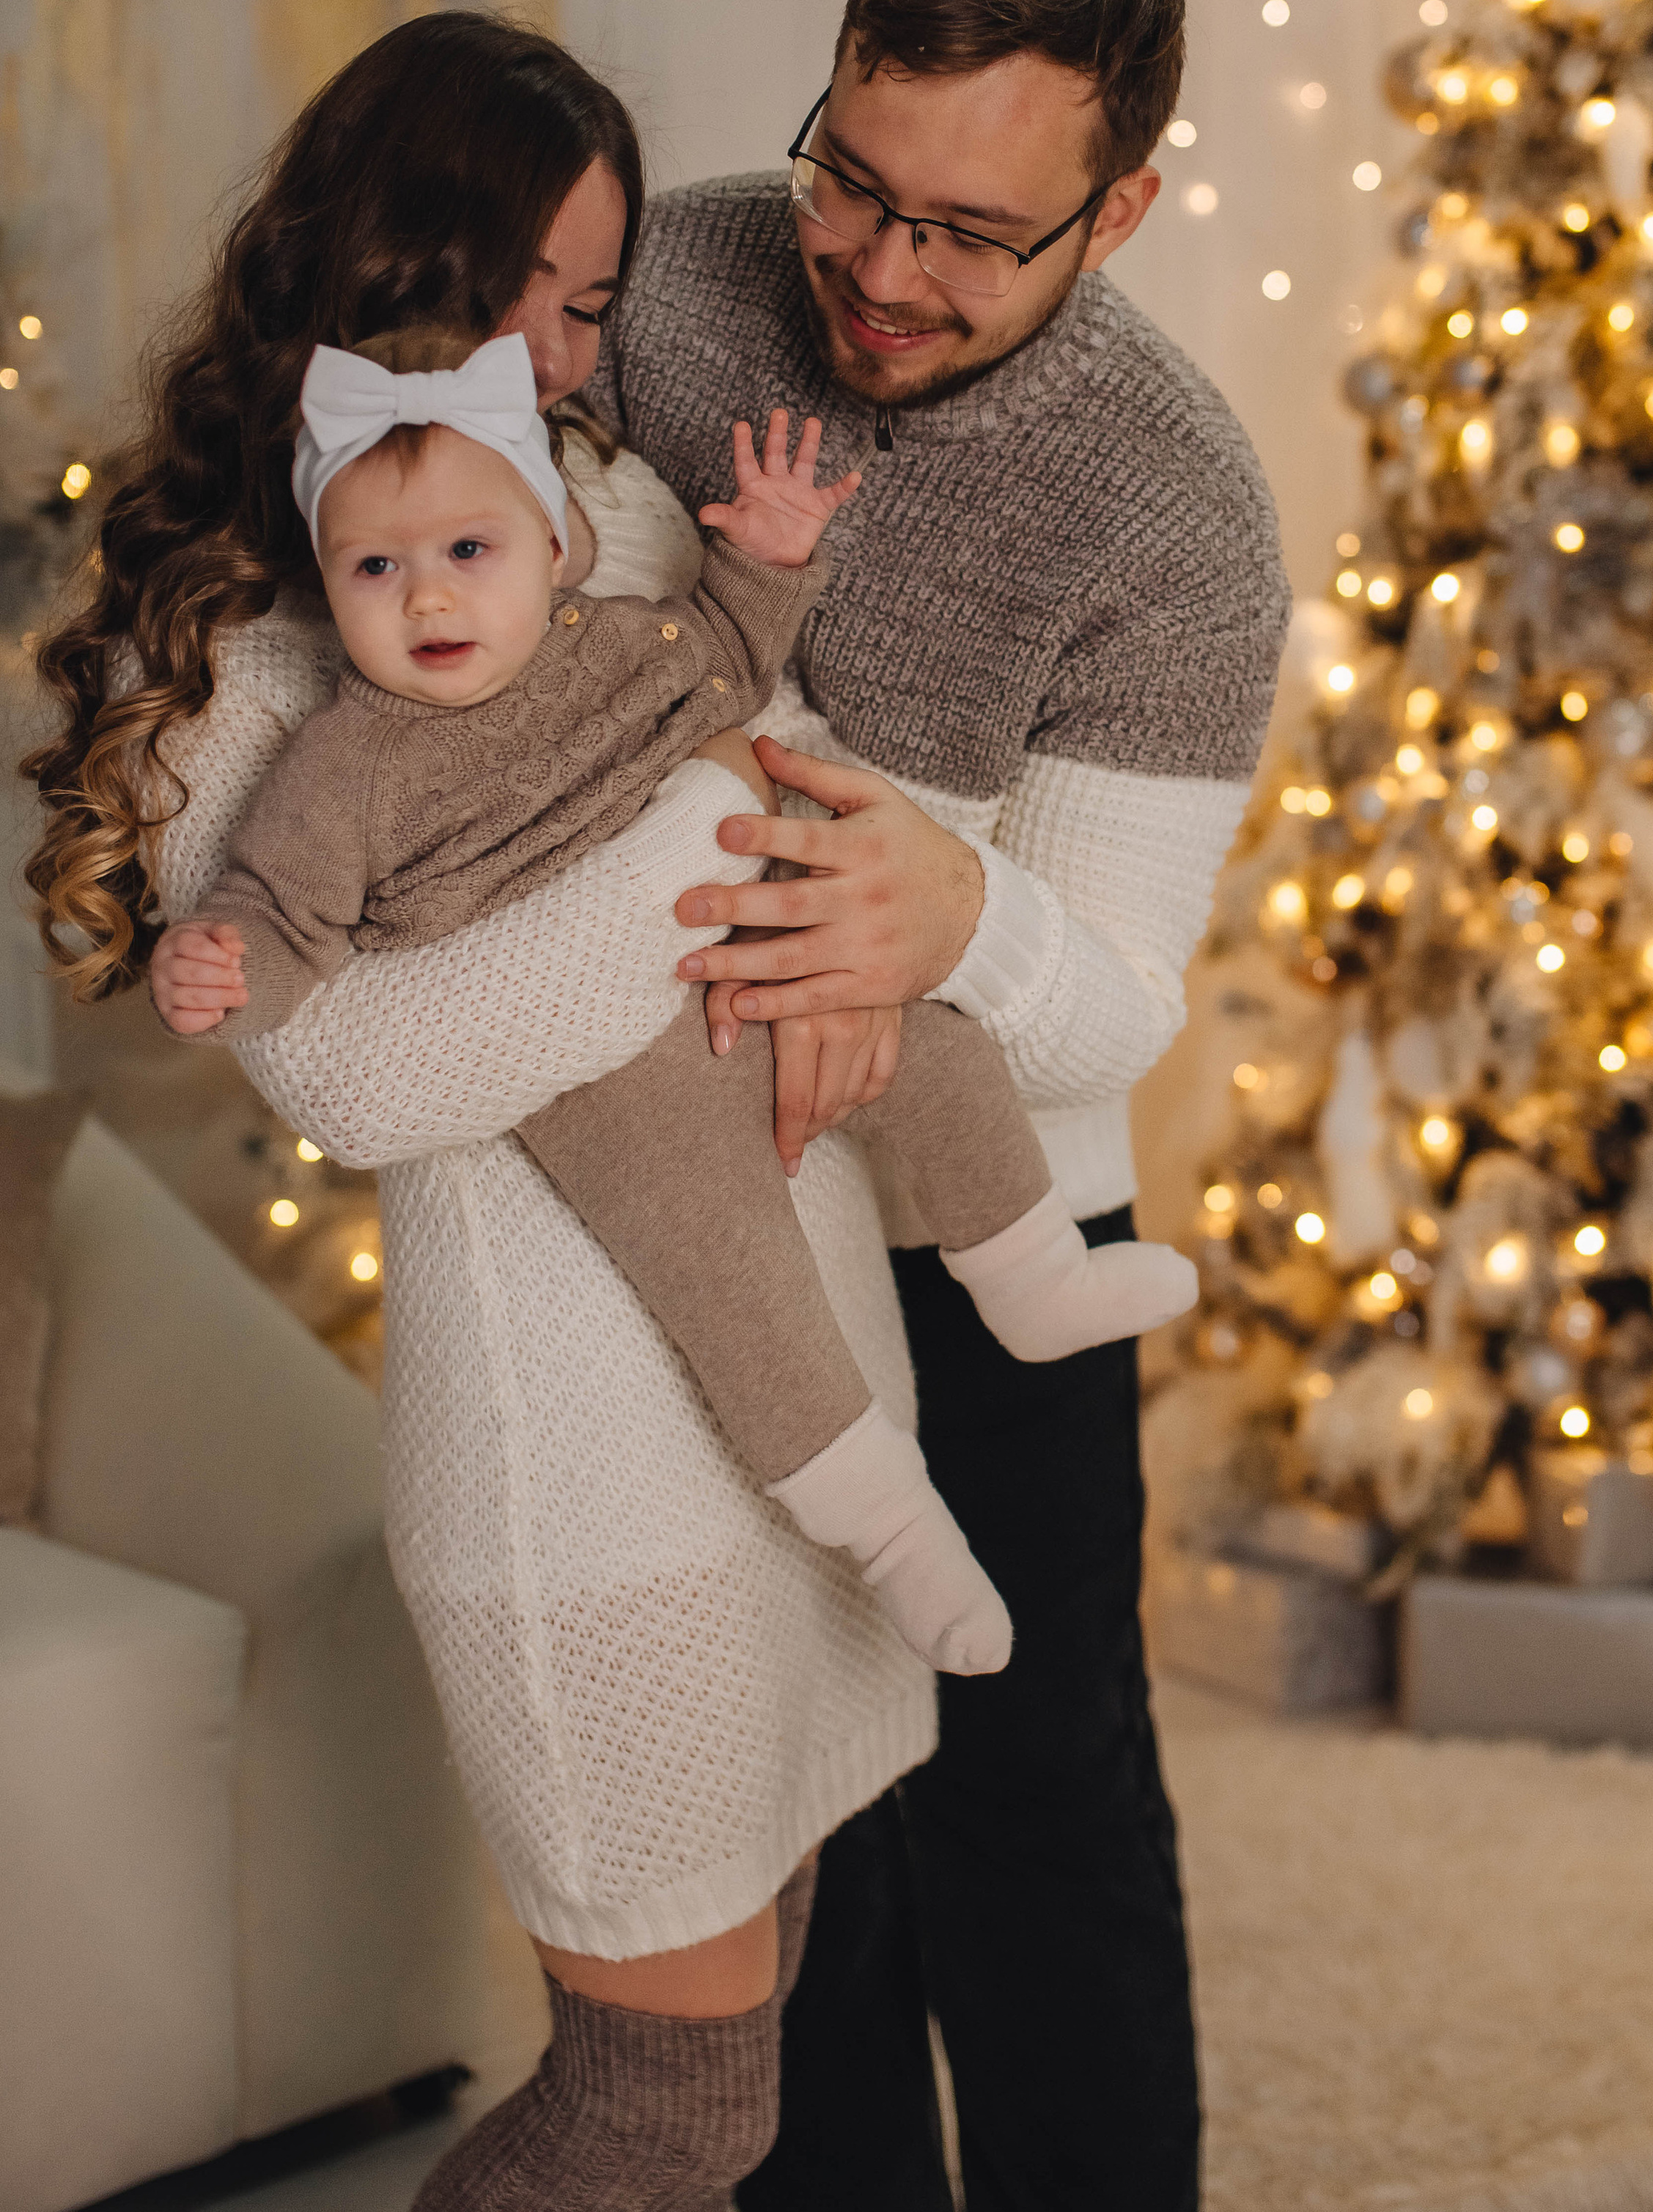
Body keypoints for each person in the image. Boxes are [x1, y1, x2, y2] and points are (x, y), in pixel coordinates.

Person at [23, 14, 961, 2208]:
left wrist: (813, 879)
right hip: (582, 1468)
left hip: (792, 1390)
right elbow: (363, 1066)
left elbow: (795, 747)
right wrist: (705, 830)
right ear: (382, 269)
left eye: (597, 299)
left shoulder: (608, 503)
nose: (563, 352)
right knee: (665, 2102)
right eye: (524, 292)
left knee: (771, 2002)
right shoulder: (266, 637)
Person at [595, 0, 1290, 2211]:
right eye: (855, 185)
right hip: (684, 1201)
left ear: (1124, 212)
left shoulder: (1184, 513)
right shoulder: (673, 278)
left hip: (988, 1222)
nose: (883, 277)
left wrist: (954, 909)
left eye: (975, 236)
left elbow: (1122, 991)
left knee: (1034, 1785)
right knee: (781, 1802)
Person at [148, 325, 1194, 1678]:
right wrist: (222, 967)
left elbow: (730, 649)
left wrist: (771, 548)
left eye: (471, 552)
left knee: (940, 1051)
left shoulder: (612, 647)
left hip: (739, 971)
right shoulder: (340, 767)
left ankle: (1037, 1276)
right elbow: (282, 913)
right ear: (328, 586)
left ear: (554, 548)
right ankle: (896, 1537)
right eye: (376, 569)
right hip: (605, 1089)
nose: (429, 601)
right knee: (734, 1280)